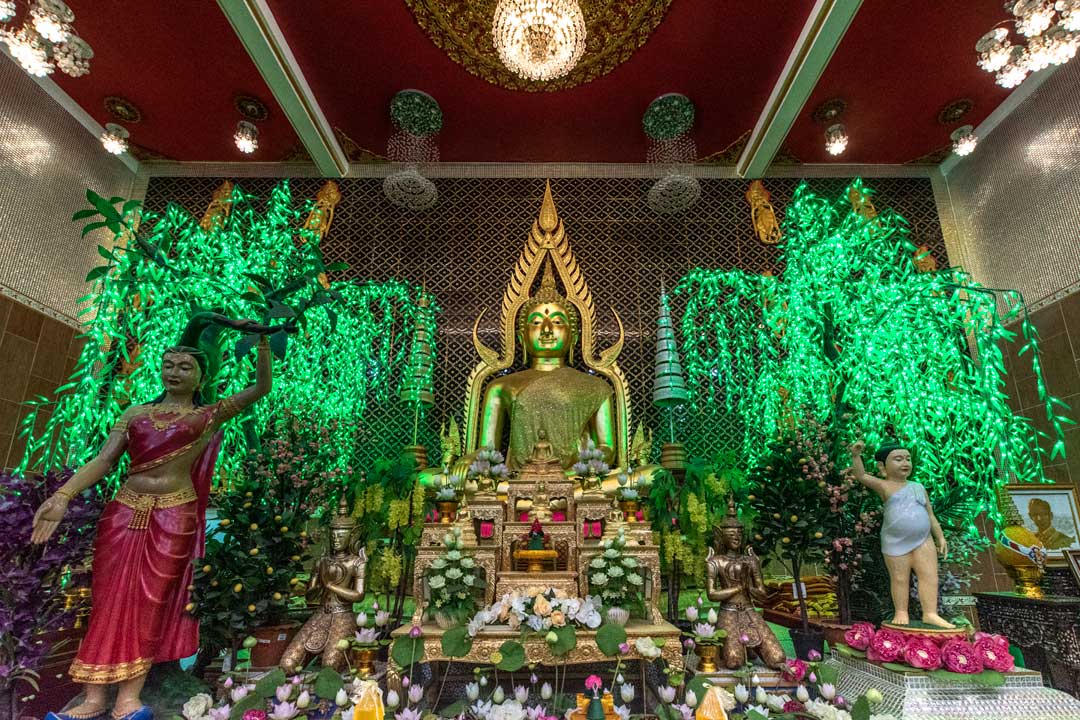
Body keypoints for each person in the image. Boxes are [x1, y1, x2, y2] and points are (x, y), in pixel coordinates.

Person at [31, 314, 275, 720]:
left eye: (185, 367)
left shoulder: (205, 416)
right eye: (168, 364)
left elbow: (262, 387)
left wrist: (263, 340)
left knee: (152, 601)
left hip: (172, 514)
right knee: (108, 598)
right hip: (124, 511)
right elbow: (105, 460)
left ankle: (130, 695)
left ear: (201, 376)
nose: (175, 372)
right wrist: (63, 495)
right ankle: (93, 697)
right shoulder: (135, 414)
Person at [850, 439, 953, 628]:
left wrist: (940, 537)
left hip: (923, 540)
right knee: (899, 578)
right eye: (898, 459)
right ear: (883, 466)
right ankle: (901, 611)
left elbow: (930, 515)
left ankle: (930, 613)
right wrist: (856, 456)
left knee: (929, 575)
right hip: (894, 541)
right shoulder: (884, 485)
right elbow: (861, 476)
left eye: (907, 459)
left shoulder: (918, 487)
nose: (905, 463)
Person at [705, 496, 786, 669]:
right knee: (734, 661)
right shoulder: (715, 561)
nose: (736, 537)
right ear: (721, 535)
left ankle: (753, 649)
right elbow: (712, 594)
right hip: (728, 611)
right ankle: (743, 650)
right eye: (731, 534)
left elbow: (762, 594)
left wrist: (748, 587)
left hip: (749, 610)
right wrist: (737, 588)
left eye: (740, 534)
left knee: (778, 657)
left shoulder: (750, 560)